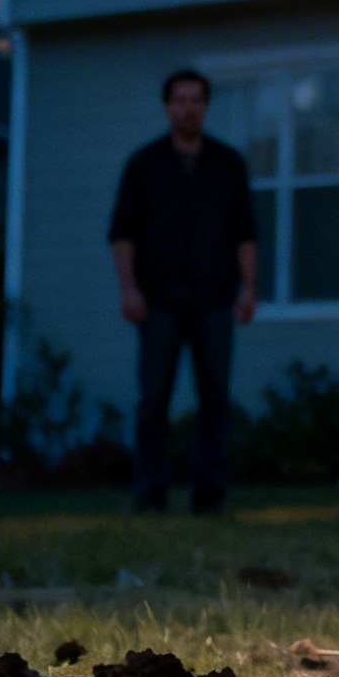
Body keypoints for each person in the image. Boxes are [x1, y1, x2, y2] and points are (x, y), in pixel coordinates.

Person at [109, 68, 259, 513]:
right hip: (159, 302)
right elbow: (122, 234)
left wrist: (249, 288)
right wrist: (129, 290)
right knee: (154, 400)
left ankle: (209, 497)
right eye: (180, 100)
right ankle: (150, 497)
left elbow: (246, 234)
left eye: (196, 100)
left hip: (215, 300)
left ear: (206, 106)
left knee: (215, 400)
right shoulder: (144, 165)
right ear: (167, 107)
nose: (188, 108)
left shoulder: (228, 164)